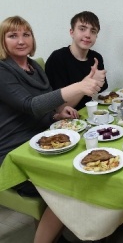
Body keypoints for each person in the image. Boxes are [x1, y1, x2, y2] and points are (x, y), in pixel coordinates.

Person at [0, 15, 102, 243]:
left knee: (86, 165)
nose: (20, 40)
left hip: (43, 142)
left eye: (26, 34)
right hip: (15, 154)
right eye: (12, 35)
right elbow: (30, 105)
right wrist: (79, 86)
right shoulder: (2, 70)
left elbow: (43, 106)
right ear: (2, 40)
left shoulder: (34, 66)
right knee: (69, 184)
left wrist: (57, 113)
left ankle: (57, 233)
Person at [45, 11, 108, 110]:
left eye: (93, 31)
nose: (88, 35)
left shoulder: (96, 58)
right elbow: (60, 109)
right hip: (66, 119)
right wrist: (85, 84)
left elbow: (100, 96)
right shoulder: (58, 58)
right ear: (72, 32)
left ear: (96, 36)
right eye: (82, 29)